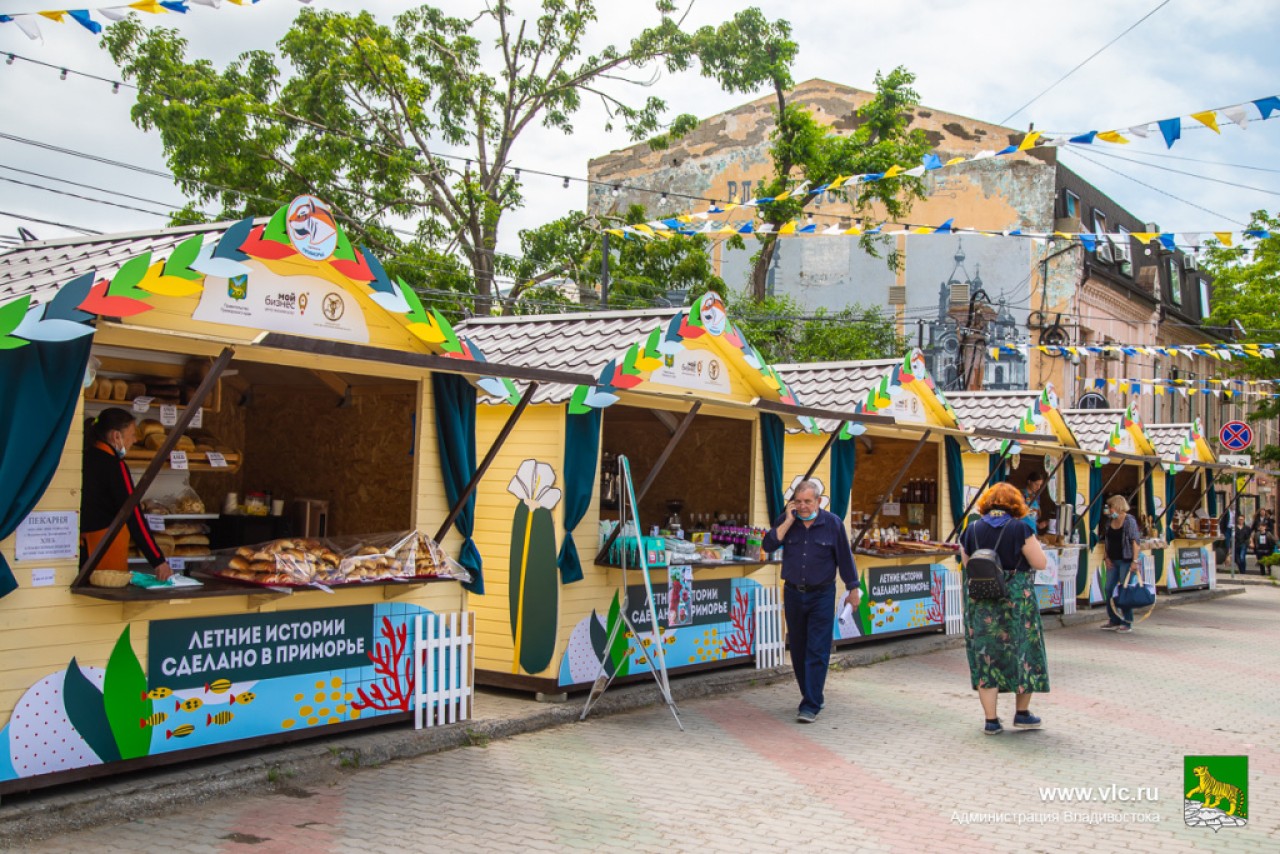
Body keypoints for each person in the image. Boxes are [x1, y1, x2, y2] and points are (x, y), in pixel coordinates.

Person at [762, 480, 859, 724]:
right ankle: (812, 694)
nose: (803, 506)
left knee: (817, 649)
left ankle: (810, 704)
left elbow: (845, 559)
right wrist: (787, 521)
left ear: (818, 501)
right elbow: (768, 544)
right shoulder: (788, 522)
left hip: (821, 595)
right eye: (799, 501)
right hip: (794, 593)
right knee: (797, 648)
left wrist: (853, 588)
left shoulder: (832, 524)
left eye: (808, 501)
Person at [959, 482, 1049, 736]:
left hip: (982, 601)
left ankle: (991, 720)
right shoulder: (1020, 528)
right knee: (1023, 651)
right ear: (1015, 504)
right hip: (1016, 600)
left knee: (986, 654)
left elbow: (968, 564)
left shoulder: (972, 528)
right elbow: (1039, 563)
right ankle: (1022, 714)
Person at [81, 408, 173, 581]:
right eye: (131, 434)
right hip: (104, 554)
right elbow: (133, 514)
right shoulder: (115, 466)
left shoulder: (84, 457)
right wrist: (158, 560)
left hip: (82, 550)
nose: (135, 439)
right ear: (116, 436)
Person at [1098, 495, 1142, 633]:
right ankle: (1113, 619)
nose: (1108, 510)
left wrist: (1134, 560)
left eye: (1110, 507)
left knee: (1124, 590)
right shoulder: (1109, 521)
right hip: (1113, 560)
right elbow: (1107, 540)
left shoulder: (1129, 521)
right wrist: (1106, 557)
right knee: (1109, 588)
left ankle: (1127, 621)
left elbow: (1135, 542)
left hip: (1126, 560)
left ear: (1117, 506)